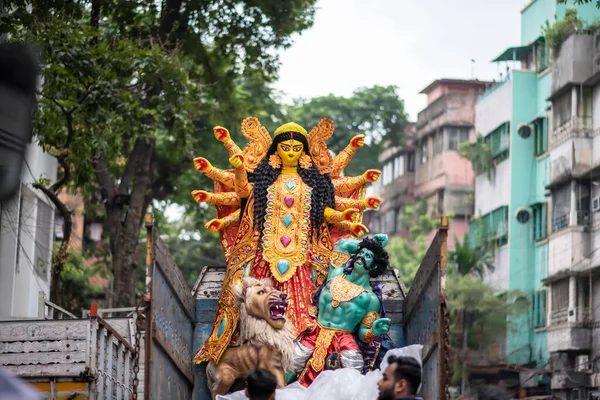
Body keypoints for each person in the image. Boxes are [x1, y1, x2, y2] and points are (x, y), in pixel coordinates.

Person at [193, 117, 382, 365]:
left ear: (304, 152)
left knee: (301, 317)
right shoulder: (263, 181)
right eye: (285, 148)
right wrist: (238, 166)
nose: (291, 153)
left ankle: (296, 367)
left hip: (302, 261)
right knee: (253, 312)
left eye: (296, 148)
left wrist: (345, 217)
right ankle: (255, 364)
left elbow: (324, 212)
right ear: (275, 151)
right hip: (264, 259)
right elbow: (242, 194)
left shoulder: (314, 183)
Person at [288, 234, 391, 386]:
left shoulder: (371, 299)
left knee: (351, 382)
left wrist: (374, 332)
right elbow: (342, 244)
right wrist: (369, 243)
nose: (361, 256)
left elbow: (364, 335)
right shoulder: (335, 274)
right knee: (287, 368)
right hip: (314, 332)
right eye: (360, 253)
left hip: (344, 341)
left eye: (367, 256)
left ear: (374, 266)